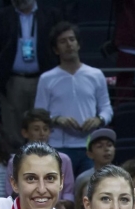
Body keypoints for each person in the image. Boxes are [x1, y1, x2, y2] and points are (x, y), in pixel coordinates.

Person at [34, 21, 113, 178]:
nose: (68, 44)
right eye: (63, 42)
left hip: (89, 146)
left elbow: (106, 107)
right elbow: (39, 114)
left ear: (78, 44)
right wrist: (57, 119)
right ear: (56, 49)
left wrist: (99, 119)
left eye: (71, 39)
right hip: (59, 146)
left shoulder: (95, 75)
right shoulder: (46, 78)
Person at [0, 0, 59, 145]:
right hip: (13, 81)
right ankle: (16, 163)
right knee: (13, 132)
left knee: (42, 127)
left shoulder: (51, 15)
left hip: (43, 79)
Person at [6, 109, 75, 209]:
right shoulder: (14, 161)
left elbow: (69, 194)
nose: (42, 133)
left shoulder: (64, 159)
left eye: (46, 129)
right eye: (36, 129)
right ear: (25, 132)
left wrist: (61, 204)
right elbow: (11, 194)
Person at [73, 127, 115, 198]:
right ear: (90, 154)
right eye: (100, 146)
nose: (106, 149)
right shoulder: (83, 178)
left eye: (109, 145)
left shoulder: (123, 176)